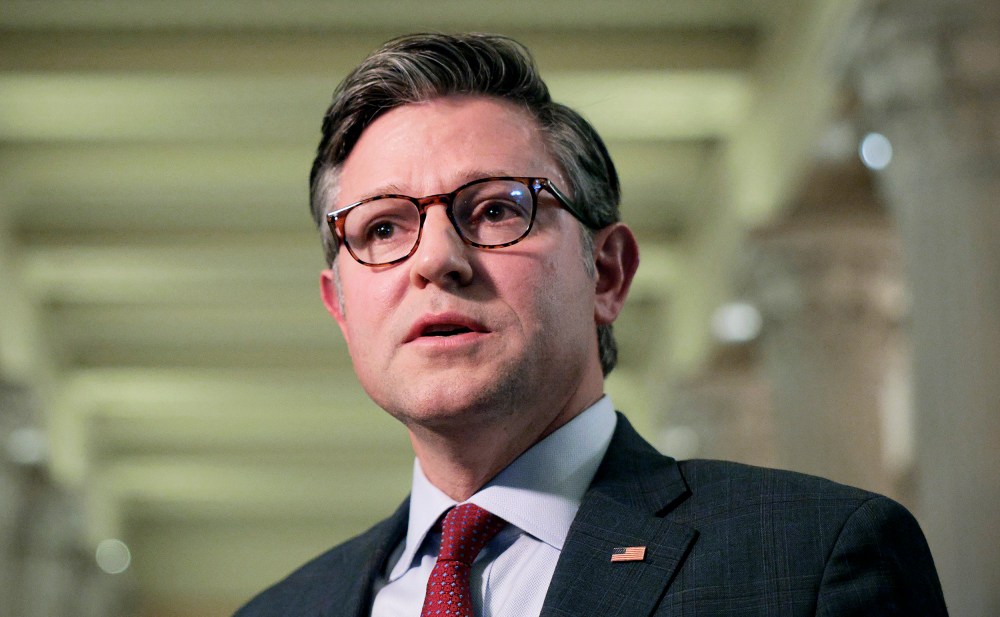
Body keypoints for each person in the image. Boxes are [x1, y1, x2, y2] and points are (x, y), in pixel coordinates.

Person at [234, 33, 947, 617]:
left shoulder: (810, 558)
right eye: (384, 227)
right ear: (341, 305)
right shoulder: (281, 609)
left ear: (605, 272)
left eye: (496, 210)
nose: (438, 261)